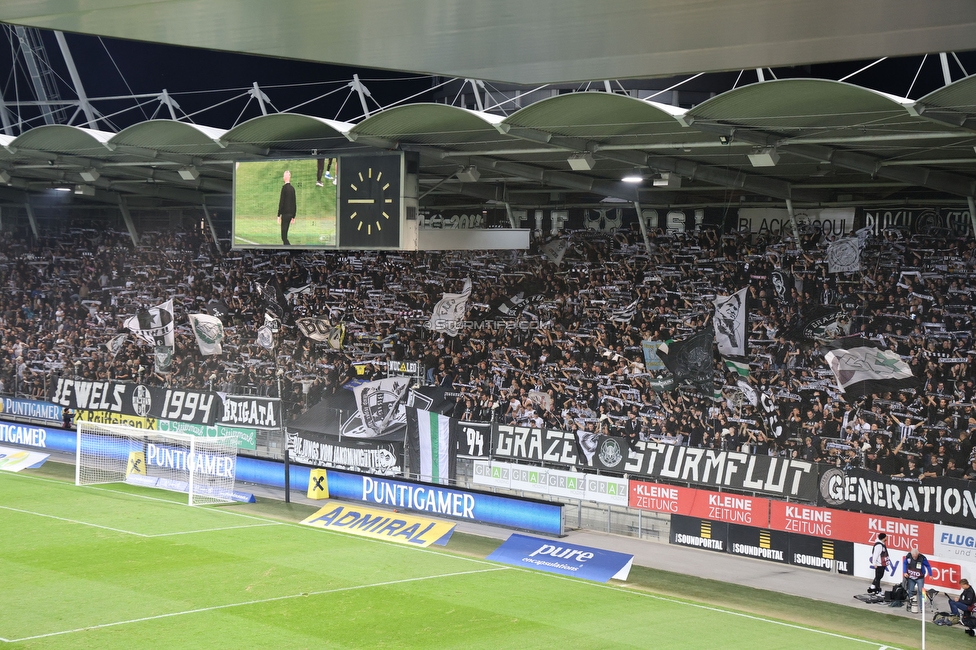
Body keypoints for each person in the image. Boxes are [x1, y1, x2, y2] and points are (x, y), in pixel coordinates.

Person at [902, 545, 933, 611]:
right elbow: (904, 563)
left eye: (915, 556)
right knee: (910, 591)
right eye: (913, 556)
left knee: (921, 591)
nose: (914, 557)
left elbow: (928, 566)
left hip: (920, 578)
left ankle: (922, 607)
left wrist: (930, 574)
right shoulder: (908, 557)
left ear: (918, 554)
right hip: (911, 578)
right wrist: (905, 572)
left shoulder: (922, 558)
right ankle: (910, 604)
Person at [277, 169, 296, 245]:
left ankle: (290, 250)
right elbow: (294, 203)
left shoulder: (284, 188)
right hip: (290, 215)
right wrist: (293, 216)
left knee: (283, 236)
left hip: (285, 215)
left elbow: (281, 202)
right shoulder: (292, 189)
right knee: (285, 235)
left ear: (285, 177)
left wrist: (278, 215)